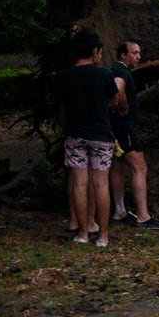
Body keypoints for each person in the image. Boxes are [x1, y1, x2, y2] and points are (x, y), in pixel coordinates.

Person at [54, 29, 121, 247]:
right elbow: (115, 101)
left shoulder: (64, 76)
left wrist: (67, 128)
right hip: (101, 135)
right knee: (101, 184)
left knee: (79, 184)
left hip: (75, 135)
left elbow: (62, 109)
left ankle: (82, 233)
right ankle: (103, 236)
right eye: (99, 52)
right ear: (94, 51)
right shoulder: (104, 74)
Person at [109, 39, 159, 229]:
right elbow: (117, 88)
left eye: (139, 53)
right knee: (139, 169)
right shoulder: (121, 71)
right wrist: (122, 105)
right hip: (124, 128)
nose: (139, 57)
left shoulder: (116, 69)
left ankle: (119, 211)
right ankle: (143, 215)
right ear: (123, 55)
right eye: (134, 53)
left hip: (116, 128)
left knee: (117, 167)